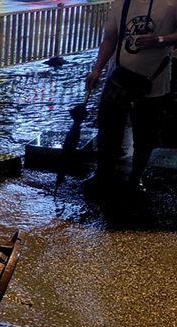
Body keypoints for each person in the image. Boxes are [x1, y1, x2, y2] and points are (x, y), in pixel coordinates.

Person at [85, 0, 177, 194]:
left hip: (153, 79)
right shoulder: (121, 1)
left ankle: (136, 177)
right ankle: (104, 174)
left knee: (145, 135)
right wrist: (97, 70)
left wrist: (160, 39)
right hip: (118, 78)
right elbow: (110, 38)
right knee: (108, 129)